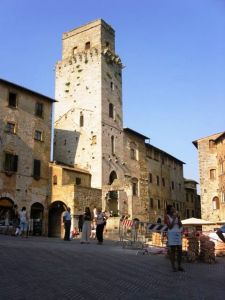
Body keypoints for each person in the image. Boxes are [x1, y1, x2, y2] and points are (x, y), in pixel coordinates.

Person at [165, 205, 184, 272]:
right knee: (173, 251)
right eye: (172, 209)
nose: (174, 210)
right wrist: (173, 218)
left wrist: (178, 219)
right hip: (171, 234)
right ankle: (173, 267)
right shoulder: (167, 216)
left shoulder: (176, 216)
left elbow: (181, 225)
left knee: (180, 250)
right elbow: (169, 226)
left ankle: (179, 266)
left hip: (178, 233)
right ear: (169, 210)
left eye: (174, 209)